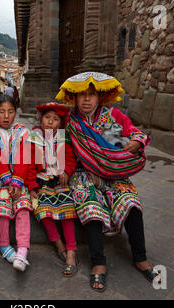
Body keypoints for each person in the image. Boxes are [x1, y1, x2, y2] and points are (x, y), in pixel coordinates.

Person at [56, 71, 160, 292]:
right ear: (73, 97)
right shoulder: (70, 120)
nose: (86, 99)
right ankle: (98, 263)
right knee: (91, 208)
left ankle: (140, 257)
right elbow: (60, 144)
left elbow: (135, 132)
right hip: (84, 174)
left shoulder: (114, 115)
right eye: (81, 94)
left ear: (99, 97)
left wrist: (136, 142)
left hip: (115, 173)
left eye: (91, 94)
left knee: (131, 202)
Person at [26, 102, 79, 277]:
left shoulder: (64, 138)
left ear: (60, 123)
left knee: (67, 211)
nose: (50, 122)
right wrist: (32, 186)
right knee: (42, 210)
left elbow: (70, 160)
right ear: (41, 119)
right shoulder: (33, 137)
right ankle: (58, 244)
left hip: (59, 182)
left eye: (55, 119)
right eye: (47, 117)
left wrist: (66, 170)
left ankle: (71, 250)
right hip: (41, 182)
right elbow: (29, 165)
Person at [0, 93, 32, 272]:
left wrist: (17, 181)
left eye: (11, 111)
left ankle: (22, 250)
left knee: (23, 207)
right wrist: (7, 179)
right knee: (1, 208)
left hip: (20, 180)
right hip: (0, 180)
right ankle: (4, 246)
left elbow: (24, 156)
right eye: (1, 111)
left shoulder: (23, 132)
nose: (6, 116)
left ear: (16, 112)